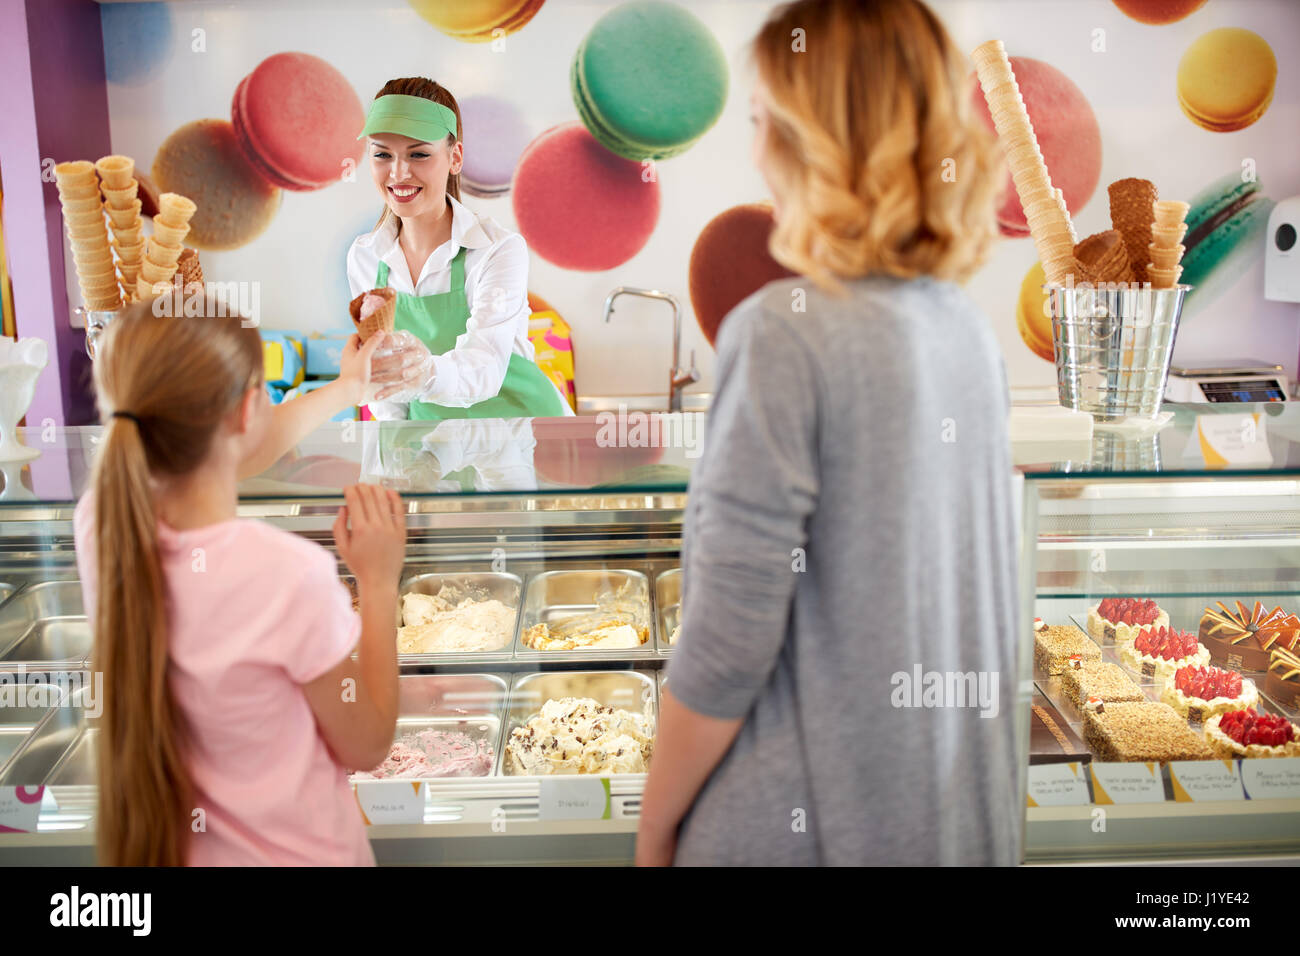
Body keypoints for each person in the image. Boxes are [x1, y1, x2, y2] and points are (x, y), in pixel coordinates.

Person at [637, 0, 1020, 866]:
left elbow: (730, 644)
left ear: (816, 140)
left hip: (808, 827)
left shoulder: (785, 330)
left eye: (766, 120)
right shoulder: (963, 324)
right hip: (949, 822)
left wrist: (654, 827)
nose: (757, 148)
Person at [74, 298, 406, 866]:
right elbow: (370, 742)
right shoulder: (285, 572)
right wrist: (377, 584)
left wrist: (348, 389)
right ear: (248, 409)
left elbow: (223, 449)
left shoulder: (101, 521)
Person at [349, 77, 572, 420]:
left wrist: (425, 372)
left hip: (520, 435)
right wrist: (397, 453)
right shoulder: (365, 258)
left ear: (455, 158)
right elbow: (387, 391)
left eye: (419, 154)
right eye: (381, 154)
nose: (398, 173)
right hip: (434, 442)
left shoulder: (497, 250)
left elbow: (484, 366)